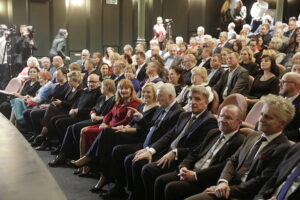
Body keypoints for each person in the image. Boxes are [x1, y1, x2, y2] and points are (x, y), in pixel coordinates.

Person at [186, 94, 293, 200]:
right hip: (225, 185)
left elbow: (261, 181)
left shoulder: (283, 148)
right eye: (261, 114)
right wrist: (223, 182)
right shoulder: (253, 135)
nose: (261, 119)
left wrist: (228, 189)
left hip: (244, 194)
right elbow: (233, 160)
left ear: (282, 124)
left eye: (268, 117)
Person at [70, 83, 158, 193]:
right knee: (107, 142)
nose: (145, 94)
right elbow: (131, 122)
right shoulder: (142, 106)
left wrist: (125, 129)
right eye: (144, 91)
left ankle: (90, 158)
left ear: (155, 94)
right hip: (128, 133)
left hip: (138, 138)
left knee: (107, 133)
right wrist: (124, 127)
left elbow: (144, 130)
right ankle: (102, 174)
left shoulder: (156, 109)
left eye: (148, 92)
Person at [101, 83, 183, 198]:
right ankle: (120, 189)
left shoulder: (178, 113)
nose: (157, 98)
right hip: (146, 144)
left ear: (170, 97)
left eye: (160, 96)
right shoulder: (161, 108)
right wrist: (140, 118)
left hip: (157, 149)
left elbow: (168, 137)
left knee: (132, 159)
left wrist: (149, 150)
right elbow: (150, 126)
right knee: (117, 150)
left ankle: (135, 195)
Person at [136, 85, 218, 200]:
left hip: (182, 160)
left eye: (197, 99)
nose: (192, 102)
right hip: (167, 153)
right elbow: (169, 136)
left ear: (206, 102)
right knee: (138, 159)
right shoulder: (185, 115)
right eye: (190, 98)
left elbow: (199, 148)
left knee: (147, 170)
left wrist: (175, 152)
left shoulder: (209, 121)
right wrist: (150, 150)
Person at [155, 105, 245, 200]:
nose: (222, 120)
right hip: (191, 171)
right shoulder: (213, 132)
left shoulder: (240, 141)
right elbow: (194, 153)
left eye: (228, 118)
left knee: (171, 188)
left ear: (239, 123)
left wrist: (195, 176)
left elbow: (223, 167)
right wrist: (184, 167)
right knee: (160, 181)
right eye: (221, 116)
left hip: (205, 179)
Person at [48, 79, 116, 164]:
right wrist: (93, 114)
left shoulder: (114, 99)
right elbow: (94, 108)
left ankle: (74, 155)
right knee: (70, 127)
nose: (100, 88)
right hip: (93, 118)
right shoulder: (102, 97)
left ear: (108, 87)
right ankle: (64, 154)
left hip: (100, 121)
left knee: (75, 127)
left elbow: (110, 115)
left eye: (102, 86)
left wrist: (99, 117)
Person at [31, 71, 83, 148]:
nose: (69, 83)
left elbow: (73, 104)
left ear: (77, 80)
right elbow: (65, 100)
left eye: (71, 81)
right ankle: (45, 138)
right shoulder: (70, 89)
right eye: (68, 80)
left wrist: (61, 103)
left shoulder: (80, 91)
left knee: (52, 117)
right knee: (51, 108)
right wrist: (58, 103)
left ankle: (43, 136)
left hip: (68, 110)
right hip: (62, 108)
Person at [279, 72, 300, 142]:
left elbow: (298, 132)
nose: (279, 85)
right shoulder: (279, 100)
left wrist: (276, 135)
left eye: (283, 82)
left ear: (295, 85)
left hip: (288, 143)